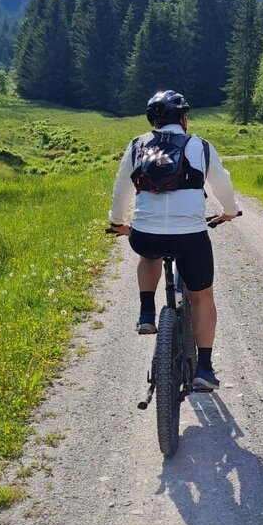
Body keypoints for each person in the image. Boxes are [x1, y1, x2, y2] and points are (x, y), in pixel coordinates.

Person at [108, 90, 240, 391]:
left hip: (145, 236)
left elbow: (121, 189)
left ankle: (146, 312)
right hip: (190, 239)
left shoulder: (137, 145)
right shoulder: (201, 147)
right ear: (184, 118)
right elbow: (223, 187)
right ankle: (204, 369)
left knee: (149, 253)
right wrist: (230, 212)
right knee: (202, 296)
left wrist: (118, 222)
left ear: (153, 121)